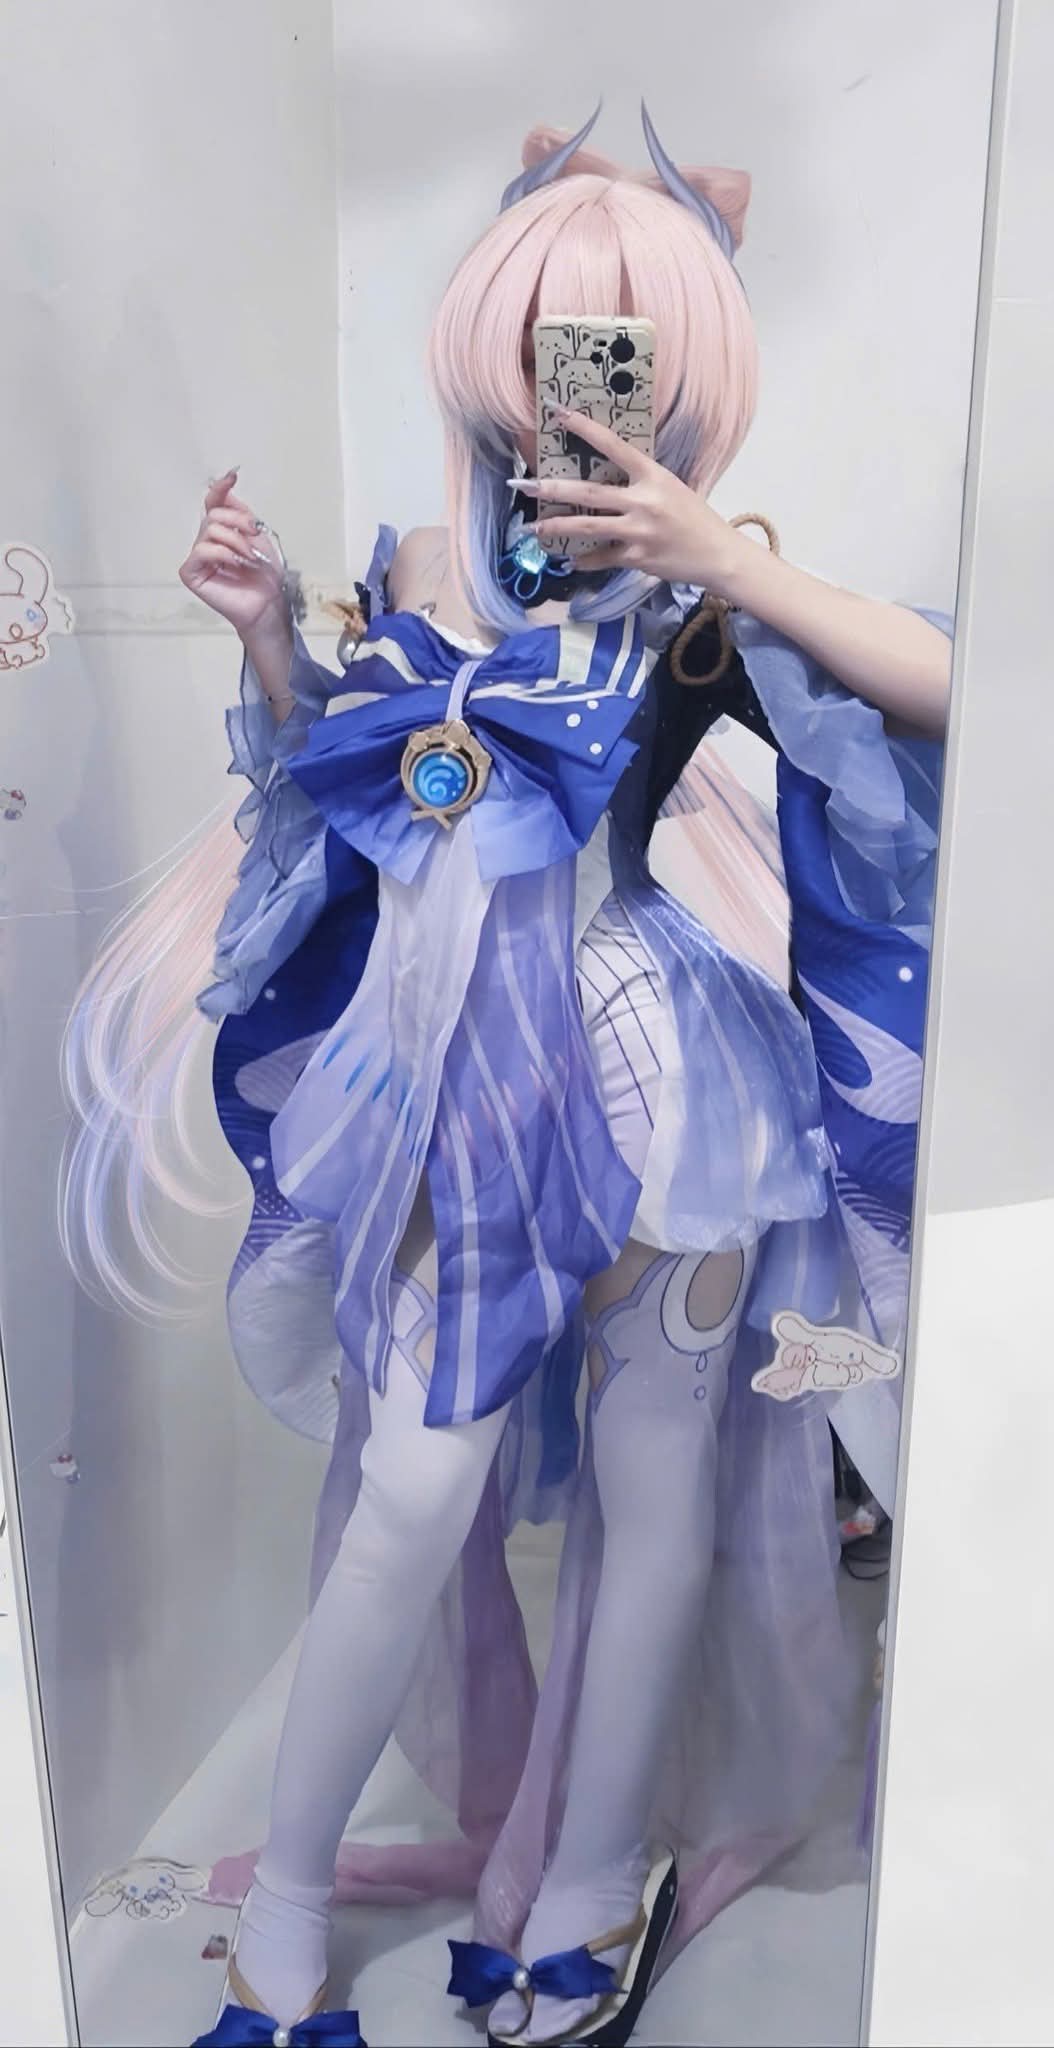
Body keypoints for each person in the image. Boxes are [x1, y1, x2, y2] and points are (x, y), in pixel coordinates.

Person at [61, 106, 949, 2048]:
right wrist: (272, 638)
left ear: (686, 362)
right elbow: (349, 798)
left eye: (621, 348)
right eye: (554, 344)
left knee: (655, 1494)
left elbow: (961, 696)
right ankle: (283, 1913)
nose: (578, 391)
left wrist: (725, 563)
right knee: (411, 1490)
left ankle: (586, 1881)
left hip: (669, 1088)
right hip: (456, 1079)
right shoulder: (412, 560)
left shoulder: (714, 580)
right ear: (491, 345)